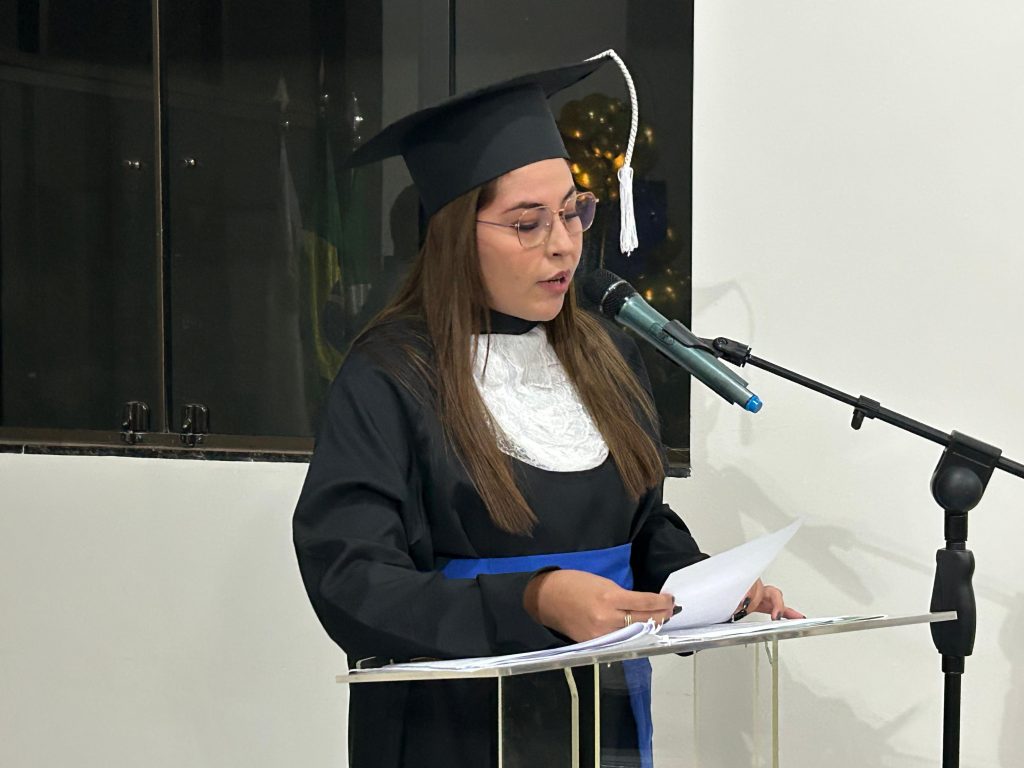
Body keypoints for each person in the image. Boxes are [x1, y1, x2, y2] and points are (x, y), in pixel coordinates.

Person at [292, 54, 801, 768]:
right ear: (454, 235)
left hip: (602, 718)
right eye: (527, 224)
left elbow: (641, 527)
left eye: (572, 212)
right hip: (453, 730)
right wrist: (532, 600)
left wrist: (705, 590)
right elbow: (351, 583)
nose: (563, 244)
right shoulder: (390, 375)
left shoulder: (605, 355)